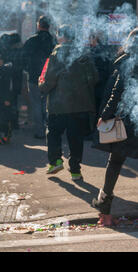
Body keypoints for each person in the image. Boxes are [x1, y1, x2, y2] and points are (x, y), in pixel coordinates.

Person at [39, 25, 98, 180]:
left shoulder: (57, 52)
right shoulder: (84, 53)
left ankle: (56, 160)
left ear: (61, 36)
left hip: (59, 105)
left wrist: (42, 87)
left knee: (53, 134)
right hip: (80, 105)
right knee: (76, 138)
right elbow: (94, 78)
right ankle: (75, 170)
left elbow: (50, 80)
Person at [92, 28, 138, 226]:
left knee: (116, 162)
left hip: (127, 121)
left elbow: (117, 92)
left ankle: (105, 212)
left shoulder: (127, 63)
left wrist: (105, 116)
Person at [23, 16, 56, 139]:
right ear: (49, 26)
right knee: (47, 104)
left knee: (36, 104)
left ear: (39, 25)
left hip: (33, 77)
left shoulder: (31, 40)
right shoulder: (53, 41)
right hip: (49, 77)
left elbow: (23, 57)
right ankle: (50, 131)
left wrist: (28, 69)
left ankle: (40, 131)